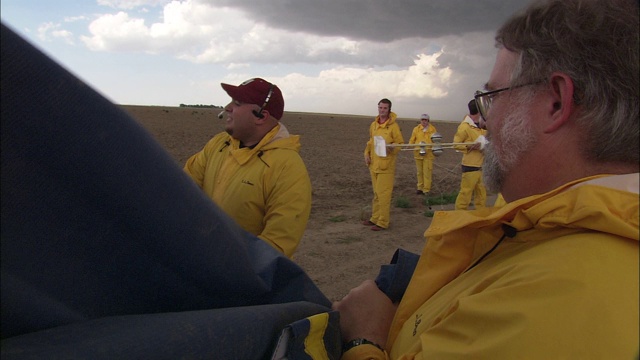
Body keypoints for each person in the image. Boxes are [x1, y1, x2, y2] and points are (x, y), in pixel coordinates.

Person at [333, 0, 639, 358]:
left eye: (492, 98)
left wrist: (363, 340)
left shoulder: (546, 300)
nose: (487, 120)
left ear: (555, 103)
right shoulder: (558, 235)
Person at [183, 78, 311, 258]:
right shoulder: (219, 144)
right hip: (199, 260)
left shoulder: (287, 167)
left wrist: (228, 266)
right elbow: (182, 187)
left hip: (242, 277)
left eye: (237, 103)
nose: (228, 107)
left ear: (261, 116)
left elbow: (278, 243)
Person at [363, 98, 405, 231]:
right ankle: (374, 218)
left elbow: (400, 144)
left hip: (386, 166)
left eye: (385, 108)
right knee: (376, 193)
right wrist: (366, 154)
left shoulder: (393, 127)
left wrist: (392, 147)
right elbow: (370, 142)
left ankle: (383, 222)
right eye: (380, 108)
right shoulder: (373, 125)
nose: (382, 110)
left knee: (384, 194)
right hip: (374, 164)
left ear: (389, 110)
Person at [452, 99, 488, 210]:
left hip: (483, 165)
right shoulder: (465, 127)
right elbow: (456, 144)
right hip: (470, 165)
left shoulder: (483, 125)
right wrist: (470, 146)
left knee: (481, 195)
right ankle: (459, 217)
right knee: (465, 194)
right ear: (479, 110)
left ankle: (480, 217)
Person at [408, 113, 438, 195]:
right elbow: (412, 139)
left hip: (428, 155)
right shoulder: (416, 129)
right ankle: (420, 188)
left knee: (427, 172)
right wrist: (410, 146)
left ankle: (426, 189)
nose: (424, 122)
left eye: (425, 120)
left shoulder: (432, 129)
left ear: (428, 121)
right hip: (418, 154)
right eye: (422, 120)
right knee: (419, 172)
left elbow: (435, 141)